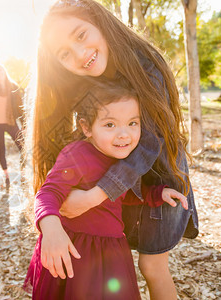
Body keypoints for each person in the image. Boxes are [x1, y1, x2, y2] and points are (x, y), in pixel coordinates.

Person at [29, 1, 199, 299]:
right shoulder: (87, 81)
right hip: (116, 188)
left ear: (97, 20)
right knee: (109, 260)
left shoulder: (146, 65)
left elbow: (150, 141)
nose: (80, 55)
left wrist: (94, 195)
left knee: (152, 265)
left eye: (81, 35)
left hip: (159, 176)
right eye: (64, 54)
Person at [24, 83, 188, 299]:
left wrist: (156, 194)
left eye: (132, 123)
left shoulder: (122, 158)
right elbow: (48, 193)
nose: (124, 134)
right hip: (79, 251)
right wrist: (52, 229)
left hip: (112, 251)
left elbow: (122, 195)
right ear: (87, 128)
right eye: (110, 124)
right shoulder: (78, 155)